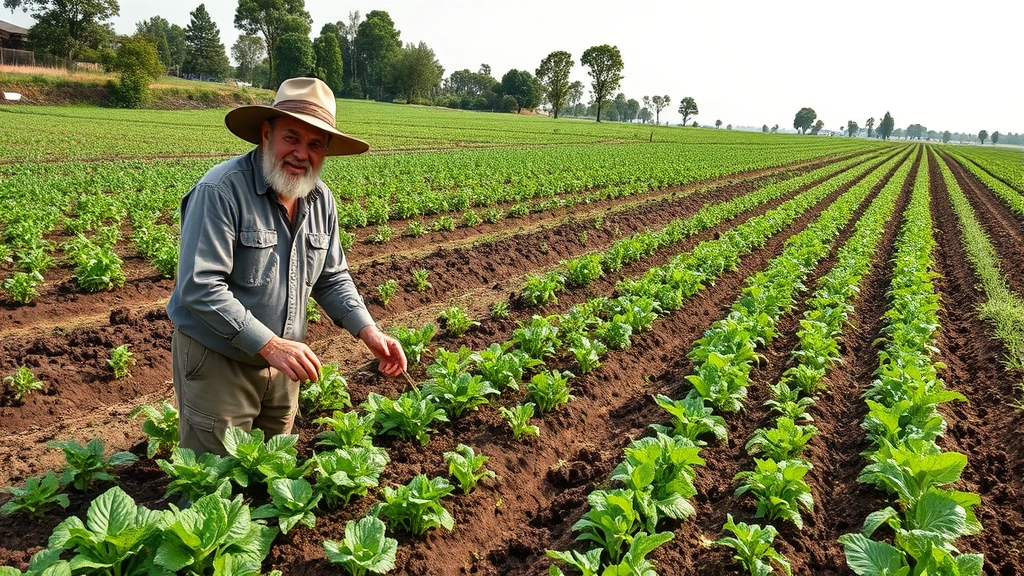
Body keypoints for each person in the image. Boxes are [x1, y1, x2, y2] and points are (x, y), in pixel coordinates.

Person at [166, 77, 407, 456]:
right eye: (291, 138)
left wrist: (370, 332)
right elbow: (200, 285)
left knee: (270, 481)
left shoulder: (320, 200)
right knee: (214, 486)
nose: (301, 154)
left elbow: (331, 276)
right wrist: (269, 343)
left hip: (284, 367)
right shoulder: (221, 191)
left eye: (314, 144)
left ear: (325, 151)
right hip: (221, 364)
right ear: (266, 134)